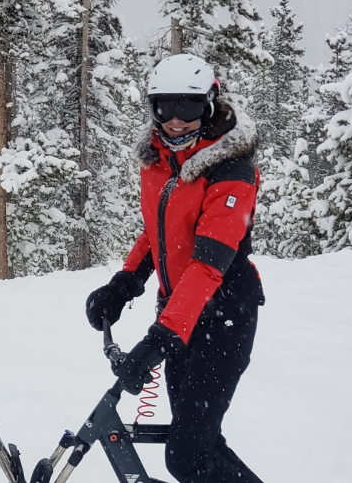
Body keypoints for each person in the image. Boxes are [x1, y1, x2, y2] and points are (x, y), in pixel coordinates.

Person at [86, 54, 265, 483]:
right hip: (178, 313)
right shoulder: (158, 159)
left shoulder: (231, 169)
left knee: (187, 455)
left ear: (209, 104)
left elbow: (208, 264)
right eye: (164, 108)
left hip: (224, 316)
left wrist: (158, 340)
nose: (176, 121)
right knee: (197, 444)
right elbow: (159, 234)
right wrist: (124, 283)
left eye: (187, 108)